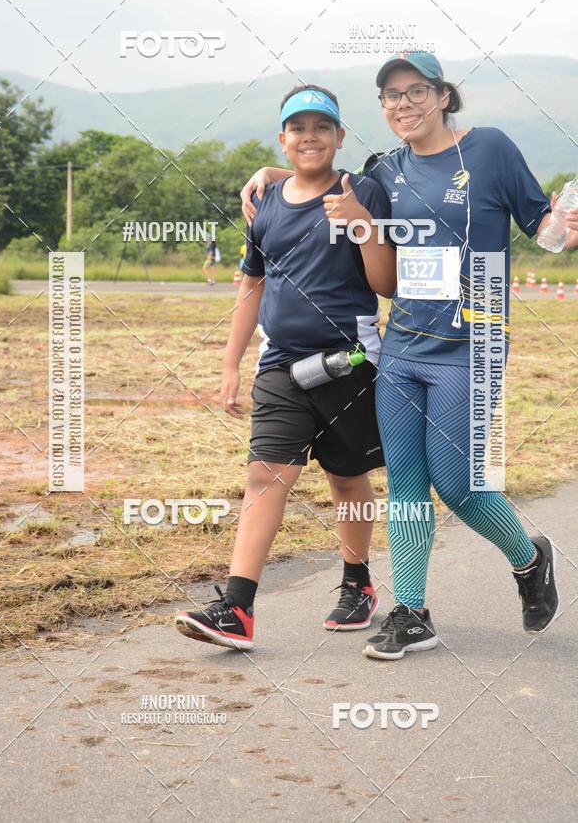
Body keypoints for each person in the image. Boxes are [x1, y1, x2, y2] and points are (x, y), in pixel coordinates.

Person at [239, 52, 578, 661]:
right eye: (391, 96)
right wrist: (269, 169)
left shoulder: (492, 150)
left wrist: (565, 225)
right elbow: (335, 194)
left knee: (458, 485)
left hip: (472, 346)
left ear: (443, 95)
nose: (403, 104)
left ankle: (529, 560)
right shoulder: (385, 169)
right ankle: (412, 611)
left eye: (415, 91)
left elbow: (543, 228)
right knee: (406, 488)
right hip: (401, 347)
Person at [175, 84, 396, 649]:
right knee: (265, 474)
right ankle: (238, 609)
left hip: (350, 363)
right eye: (298, 129)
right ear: (283, 138)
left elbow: (385, 284)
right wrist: (231, 364)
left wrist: (359, 222)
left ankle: (357, 582)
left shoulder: (361, 189)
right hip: (279, 367)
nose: (310, 137)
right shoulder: (263, 202)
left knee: (347, 479)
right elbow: (251, 285)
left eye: (322, 128)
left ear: (340, 137)